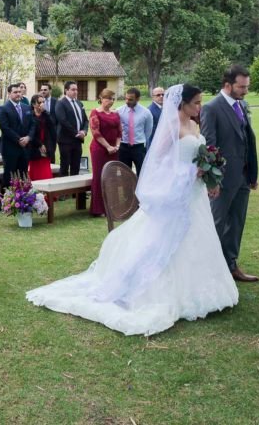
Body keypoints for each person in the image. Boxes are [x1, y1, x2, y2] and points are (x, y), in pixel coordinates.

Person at [27, 84, 238, 336]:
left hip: (193, 194)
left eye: (201, 103)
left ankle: (205, 289)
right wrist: (192, 172)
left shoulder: (194, 125)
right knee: (162, 243)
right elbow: (158, 163)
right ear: (181, 104)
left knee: (198, 238)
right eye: (195, 103)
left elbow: (196, 157)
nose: (199, 108)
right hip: (176, 193)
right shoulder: (171, 127)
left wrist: (207, 176)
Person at [201, 65, 259, 283]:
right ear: (228, 84)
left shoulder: (242, 105)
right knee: (216, 224)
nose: (245, 91)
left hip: (243, 177)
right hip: (222, 180)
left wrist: (252, 174)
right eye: (241, 87)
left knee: (236, 223)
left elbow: (249, 140)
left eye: (246, 87)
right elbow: (209, 146)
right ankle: (208, 270)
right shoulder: (211, 108)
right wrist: (213, 180)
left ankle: (230, 265)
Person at [89, 89, 122, 217]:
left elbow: (119, 132)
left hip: (114, 149)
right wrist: (108, 146)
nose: (111, 101)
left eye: (113, 99)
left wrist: (117, 146)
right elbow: (96, 132)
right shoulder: (95, 113)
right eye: (108, 98)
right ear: (101, 98)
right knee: (99, 176)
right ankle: (98, 209)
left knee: (112, 177)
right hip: (100, 149)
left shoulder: (116, 114)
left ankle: (112, 206)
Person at [0, 83, 31, 188]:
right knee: (9, 176)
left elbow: (33, 125)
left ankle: (23, 200)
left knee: (23, 175)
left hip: (25, 148)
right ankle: (6, 201)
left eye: (19, 92)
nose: (18, 94)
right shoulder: (3, 108)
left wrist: (28, 137)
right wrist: (19, 140)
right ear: (9, 94)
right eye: (15, 92)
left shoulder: (27, 108)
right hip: (10, 148)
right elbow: (5, 128)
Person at [117, 87, 153, 177]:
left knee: (141, 173)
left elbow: (148, 130)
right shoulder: (119, 111)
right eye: (126, 98)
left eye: (130, 99)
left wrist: (139, 139)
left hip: (139, 148)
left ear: (138, 99)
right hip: (123, 147)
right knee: (124, 174)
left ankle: (139, 191)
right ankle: (127, 191)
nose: (127, 101)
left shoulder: (146, 113)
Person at [55, 81, 88, 177]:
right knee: (64, 166)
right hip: (65, 140)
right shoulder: (61, 103)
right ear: (66, 90)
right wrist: (76, 133)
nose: (75, 92)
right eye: (73, 89)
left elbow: (85, 120)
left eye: (76, 89)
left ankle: (74, 191)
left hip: (78, 140)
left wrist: (84, 132)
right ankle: (63, 192)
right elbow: (63, 121)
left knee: (76, 166)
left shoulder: (79, 103)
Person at [28, 94, 56, 181]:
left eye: (43, 102)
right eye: (39, 102)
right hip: (34, 146)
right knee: (35, 172)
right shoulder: (30, 115)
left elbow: (52, 127)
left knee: (46, 172)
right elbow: (30, 133)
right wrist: (40, 144)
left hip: (46, 145)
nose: (42, 104)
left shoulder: (45, 114)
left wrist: (44, 112)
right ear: (33, 104)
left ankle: (48, 193)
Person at [39, 83, 58, 161]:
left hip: (52, 132)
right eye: (42, 90)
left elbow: (58, 118)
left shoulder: (56, 102)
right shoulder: (38, 101)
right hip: (41, 132)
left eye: (45, 90)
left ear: (50, 90)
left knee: (51, 154)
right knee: (41, 154)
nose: (43, 91)